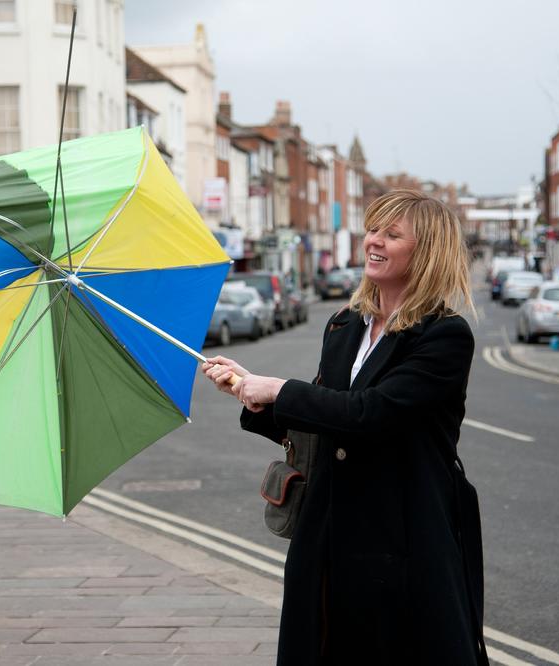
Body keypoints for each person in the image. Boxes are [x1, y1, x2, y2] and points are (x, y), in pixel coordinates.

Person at [203, 189, 486, 665]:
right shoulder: (344, 324)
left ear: (427, 251)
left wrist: (280, 390)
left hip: (403, 535)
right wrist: (250, 392)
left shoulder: (444, 336)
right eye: (373, 229)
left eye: (392, 234)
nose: (374, 241)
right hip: (328, 532)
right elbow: (324, 423)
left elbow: (372, 414)